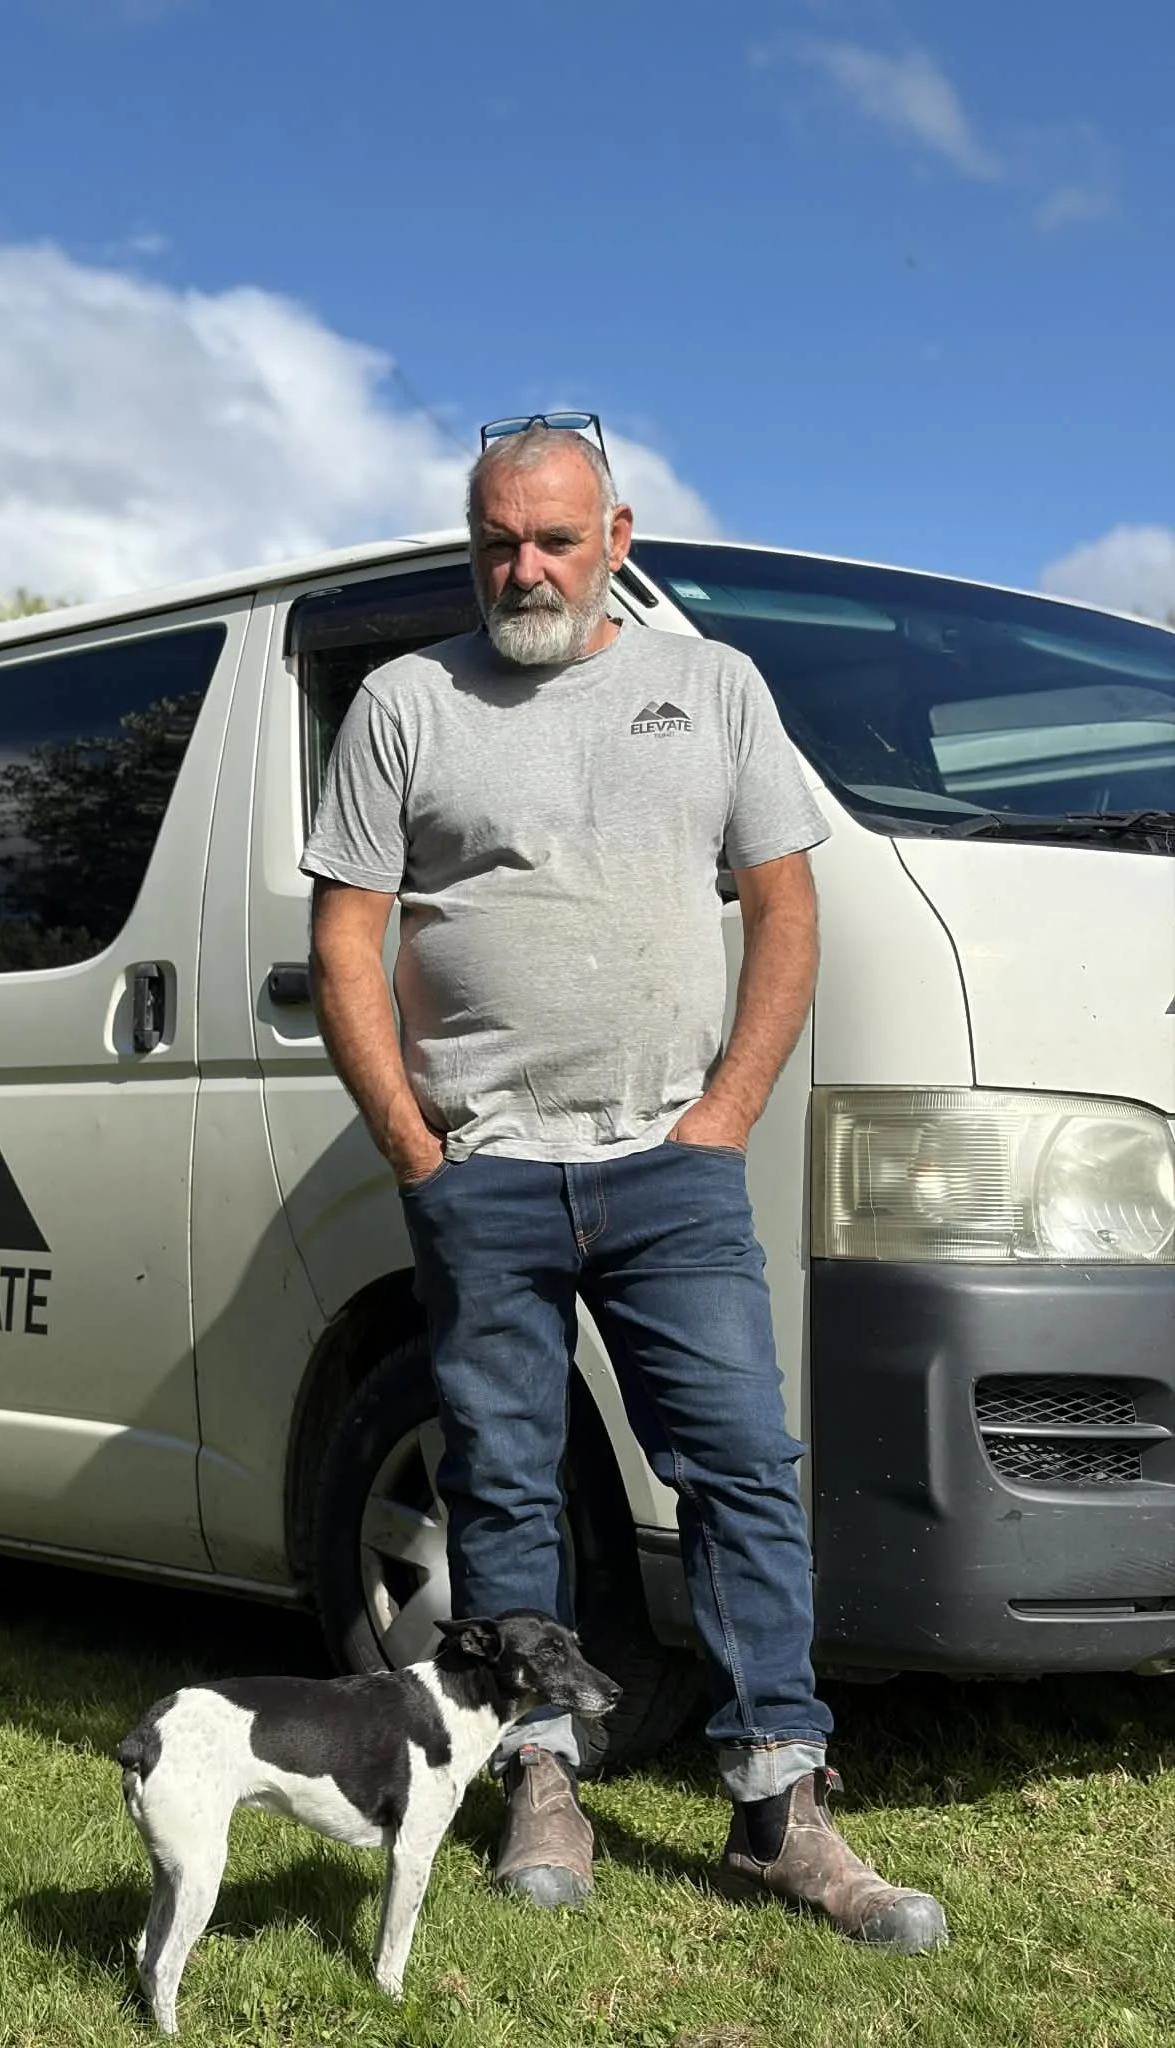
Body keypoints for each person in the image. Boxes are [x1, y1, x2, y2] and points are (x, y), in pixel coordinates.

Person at [301, 420, 946, 1953]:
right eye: (496, 541)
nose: (524, 568)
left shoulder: (712, 684)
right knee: (506, 1485)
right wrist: (416, 1147)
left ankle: (780, 1805)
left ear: (618, 536)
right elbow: (348, 938)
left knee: (736, 1466)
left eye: (554, 539)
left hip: (671, 1171)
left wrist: (722, 1118)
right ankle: (539, 1776)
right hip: (487, 1173)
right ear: (473, 541)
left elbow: (784, 913)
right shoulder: (404, 702)